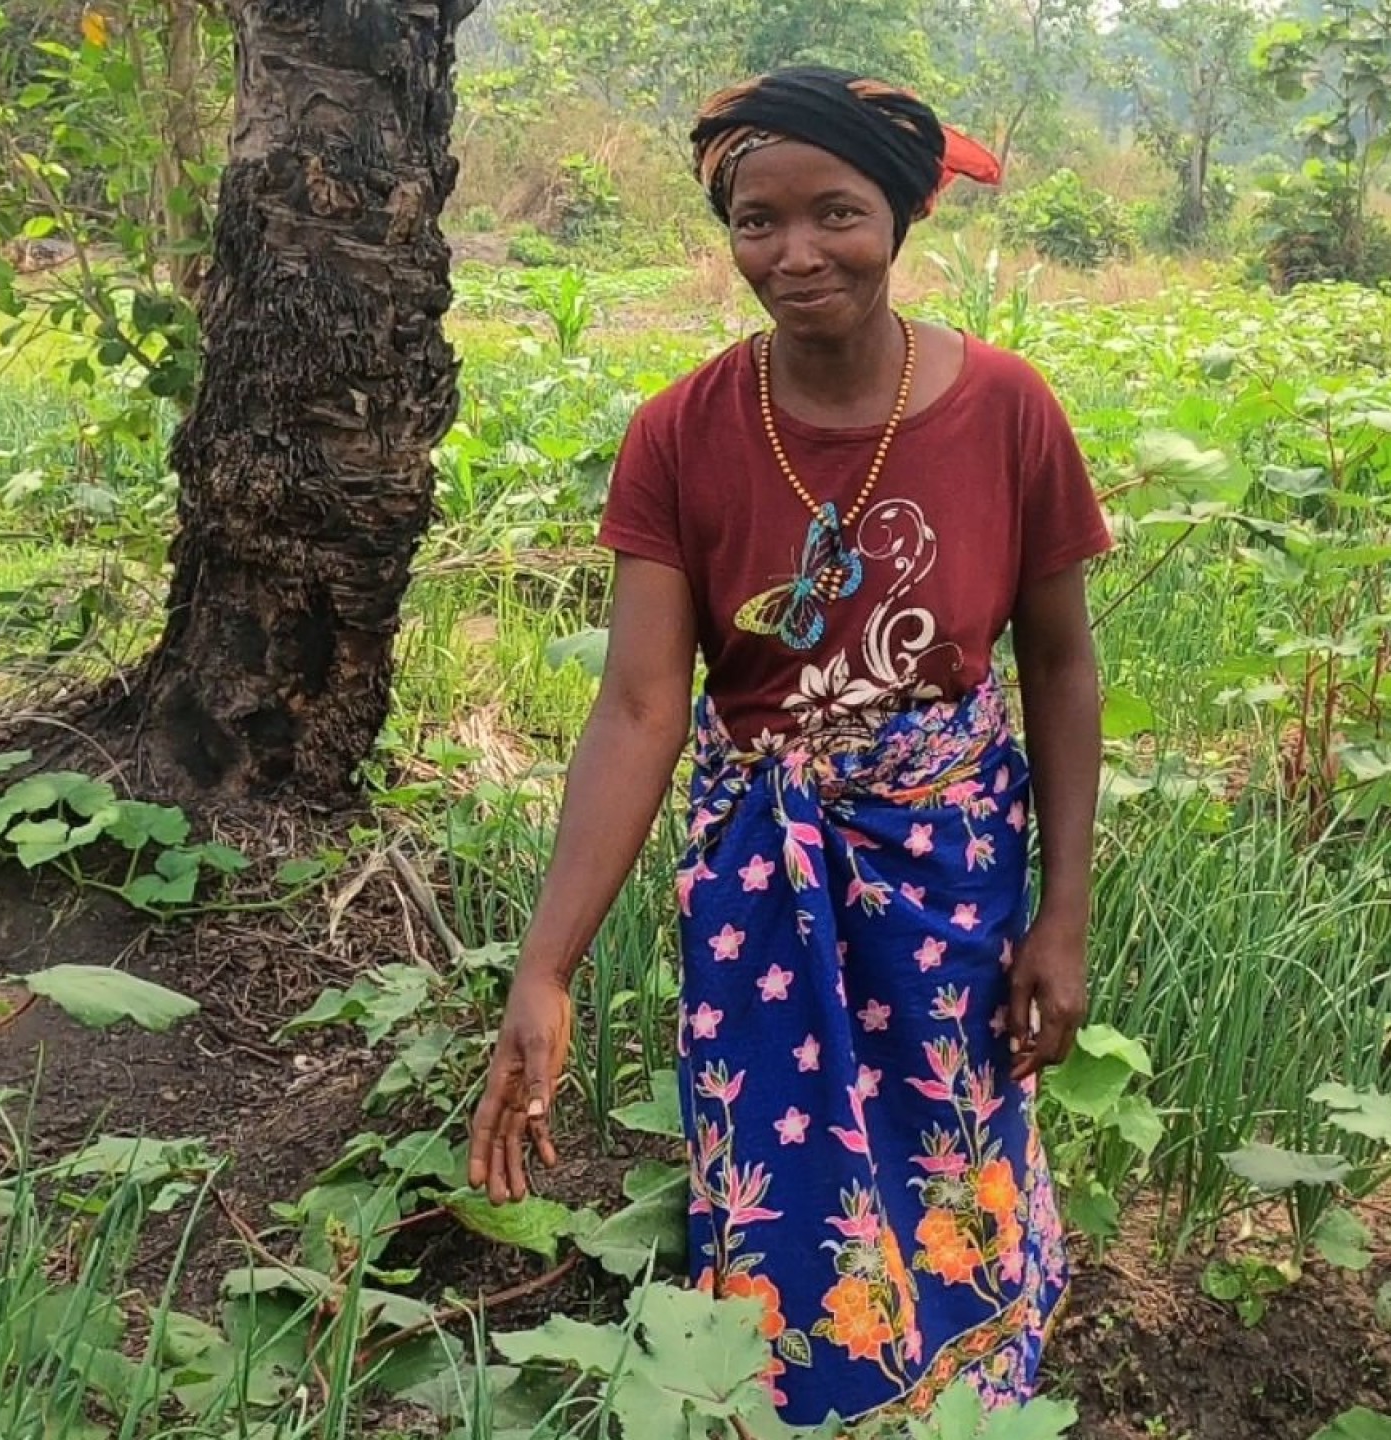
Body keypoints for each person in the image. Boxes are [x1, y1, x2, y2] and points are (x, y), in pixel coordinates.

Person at [466, 66, 1111, 1429]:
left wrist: (1064, 907)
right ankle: (803, 1400)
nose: (798, 253)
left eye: (838, 213)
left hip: (951, 861)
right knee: (774, 1156)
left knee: (955, 1127)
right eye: (759, 221)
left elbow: (1058, 661)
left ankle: (972, 1385)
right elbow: (640, 707)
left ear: (902, 216)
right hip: (762, 874)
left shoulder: (1007, 410)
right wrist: (547, 965)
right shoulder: (681, 435)